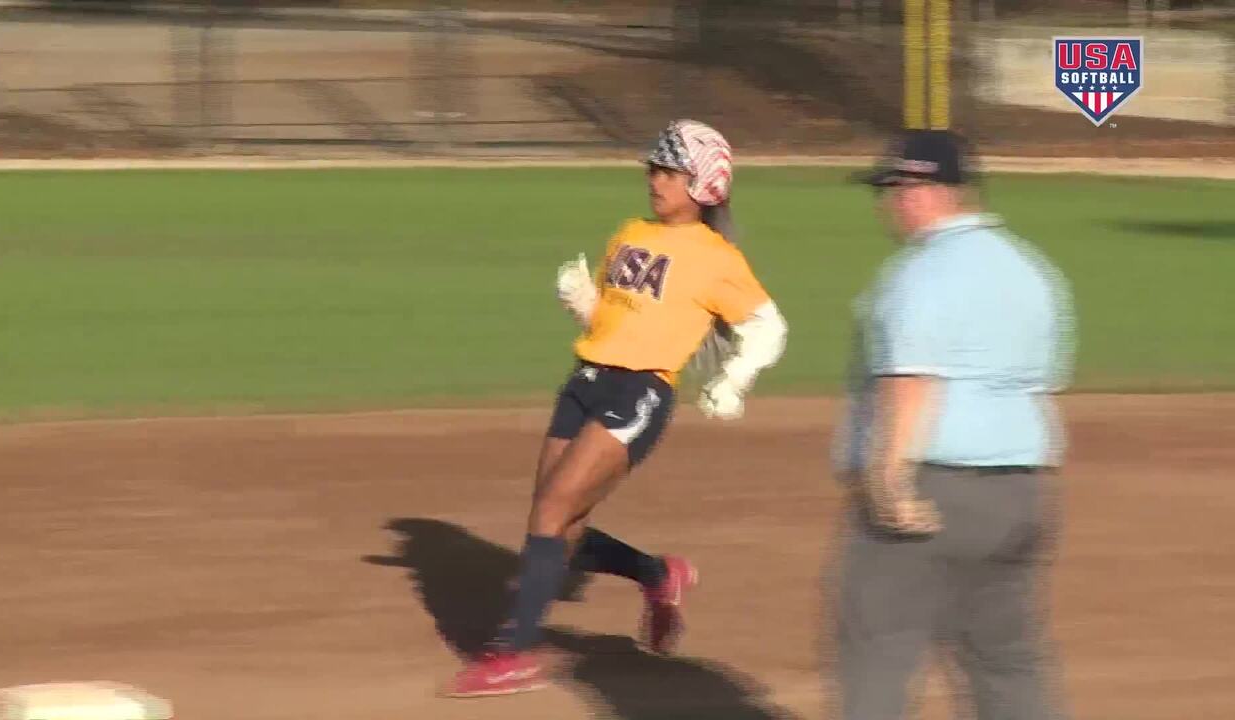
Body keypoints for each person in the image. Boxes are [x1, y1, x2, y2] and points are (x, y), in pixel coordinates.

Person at [448, 119, 789, 698]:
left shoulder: (715, 257)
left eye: (668, 170)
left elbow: (767, 327)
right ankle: (659, 575)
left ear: (703, 184)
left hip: (640, 395)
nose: (654, 179)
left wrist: (733, 378)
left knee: (552, 510)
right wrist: (585, 304)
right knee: (561, 527)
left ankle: (514, 652)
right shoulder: (630, 233)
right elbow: (617, 321)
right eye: (653, 168)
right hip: (584, 381)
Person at [827, 129, 1074, 719]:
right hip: (1022, 491)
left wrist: (888, 483)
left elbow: (912, 382)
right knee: (1006, 657)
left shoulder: (919, 274)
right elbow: (1042, 383)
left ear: (923, 190)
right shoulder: (1032, 271)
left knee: (878, 651)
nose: (886, 202)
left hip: (934, 489)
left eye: (891, 187)